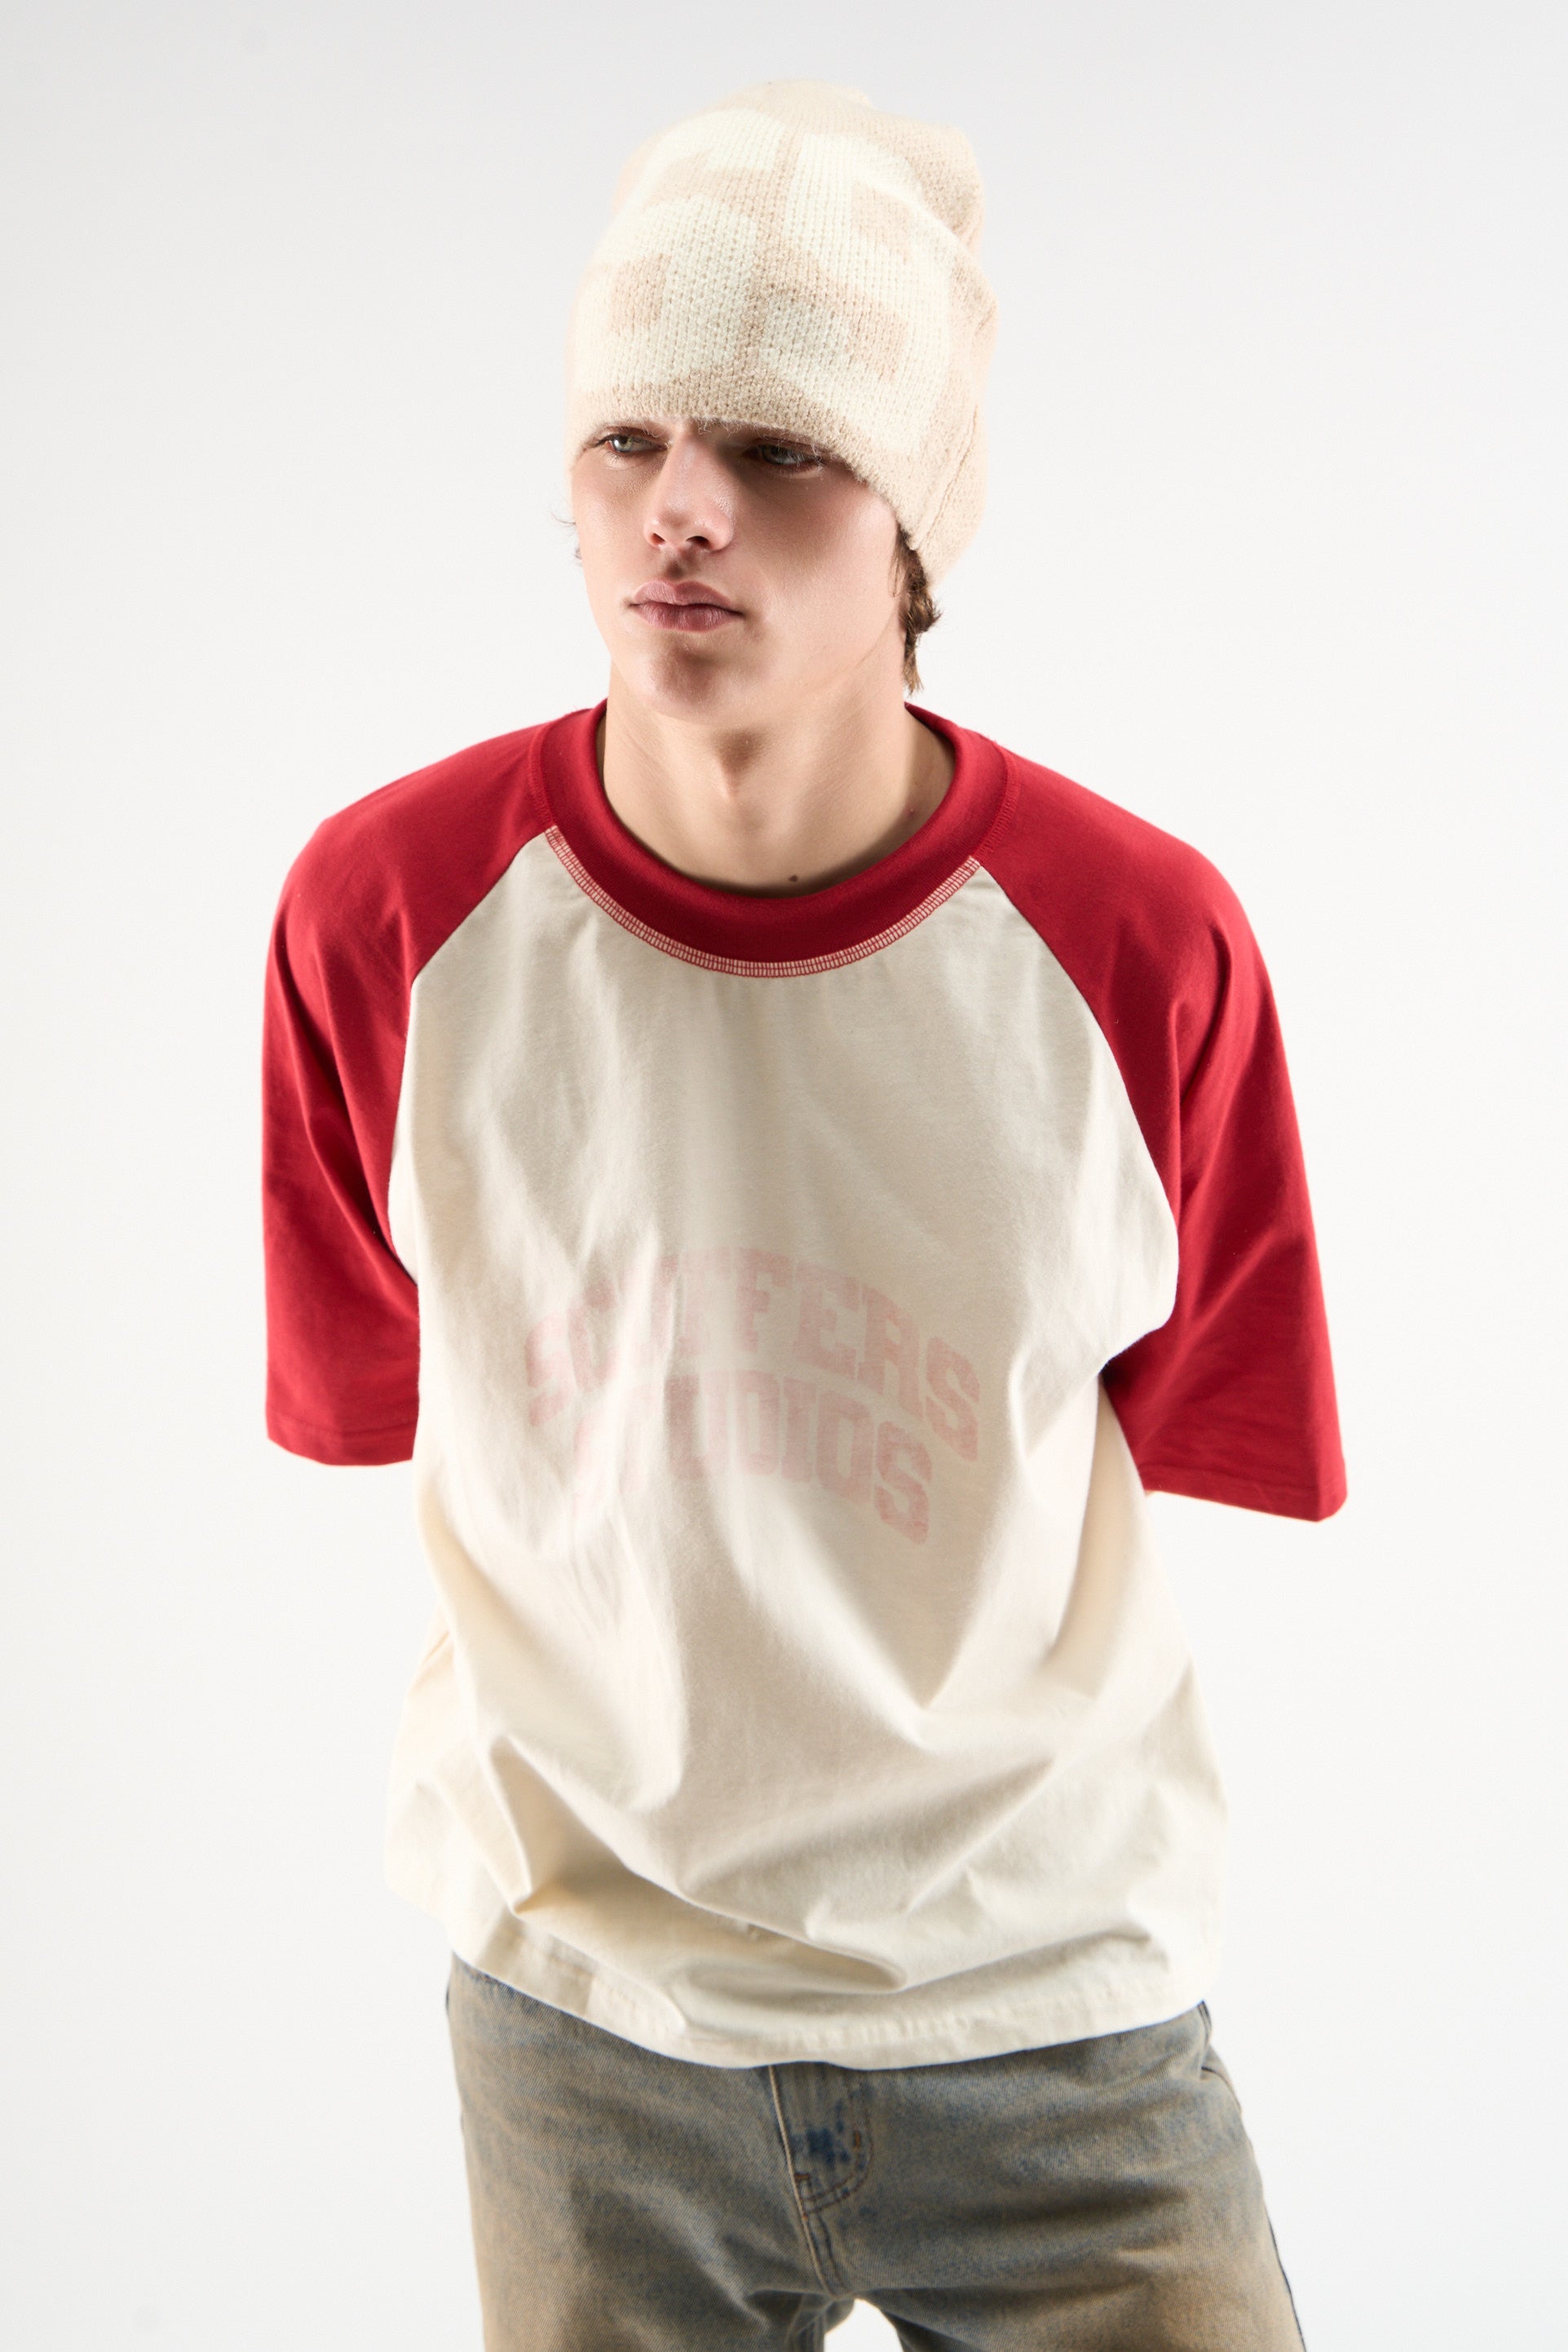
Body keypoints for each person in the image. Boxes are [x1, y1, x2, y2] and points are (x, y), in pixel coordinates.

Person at [263, 79, 1344, 2352]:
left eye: (777, 449)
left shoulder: (1140, 951)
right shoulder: (384, 919)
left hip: (1049, 2010)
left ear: (913, 527)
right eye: (625, 438)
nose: (680, 509)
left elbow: (1201, 1422)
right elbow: (369, 1392)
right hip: (586, 2018)